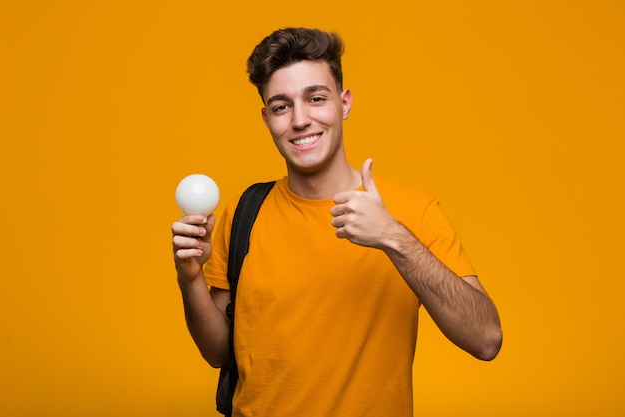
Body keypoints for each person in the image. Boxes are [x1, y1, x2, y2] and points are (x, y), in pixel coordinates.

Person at [172, 27, 502, 417]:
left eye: (316, 98)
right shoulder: (243, 212)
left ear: (344, 103)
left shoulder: (413, 211)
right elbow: (217, 354)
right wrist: (190, 279)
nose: (300, 119)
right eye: (281, 106)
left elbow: (486, 340)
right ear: (266, 118)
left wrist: (393, 237)